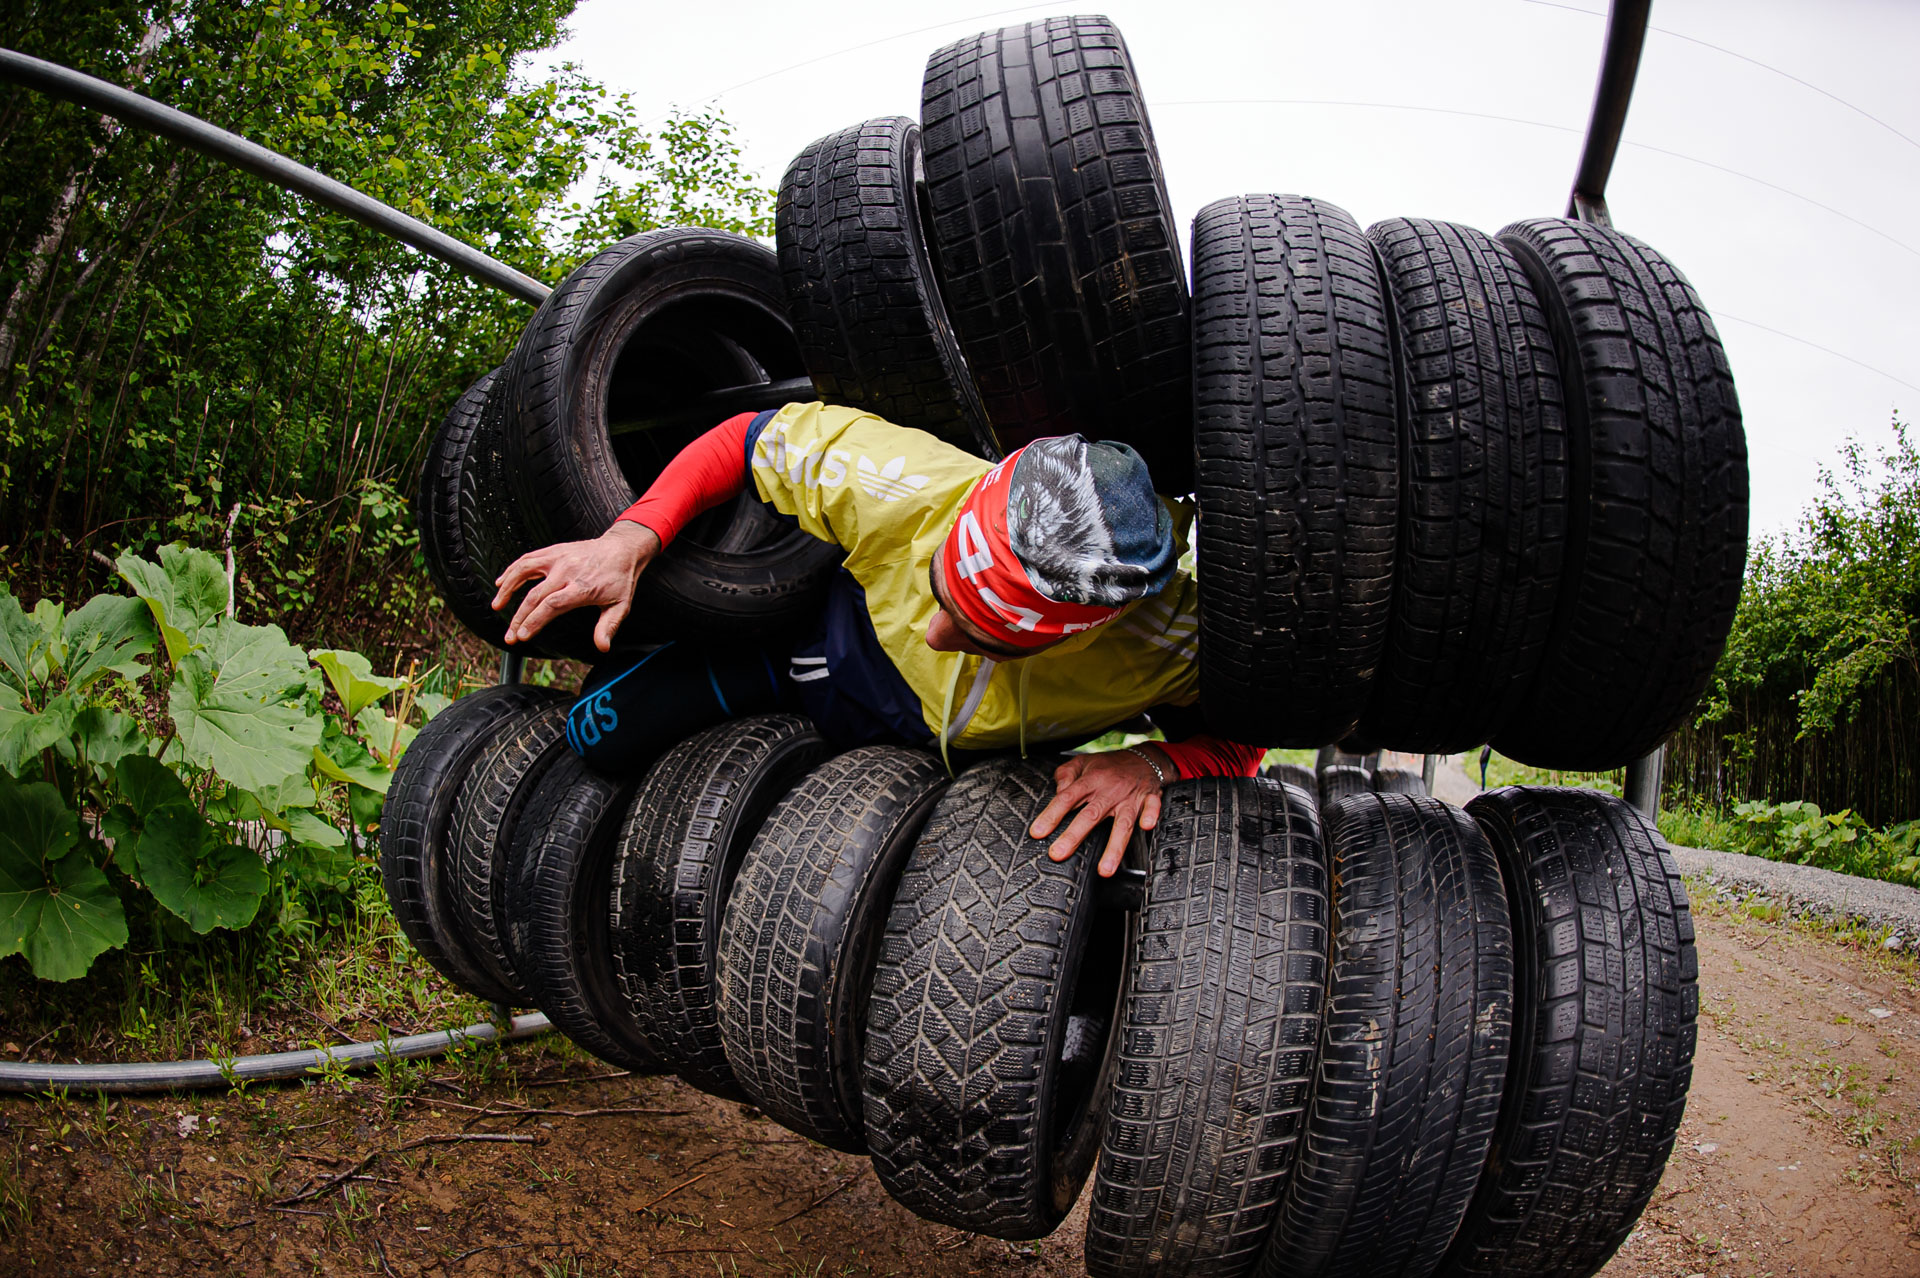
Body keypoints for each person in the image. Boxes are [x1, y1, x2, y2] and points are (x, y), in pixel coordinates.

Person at [492, 402, 1264, 876]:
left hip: (954, 770)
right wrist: (631, 538)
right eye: (943, 595)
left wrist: (1156, 763)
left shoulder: (1175, 640)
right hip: (809, 655)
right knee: (596, 734)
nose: (937, 632)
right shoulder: (906, 479)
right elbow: (747, 440)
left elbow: (1246, 738)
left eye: (983, 638)